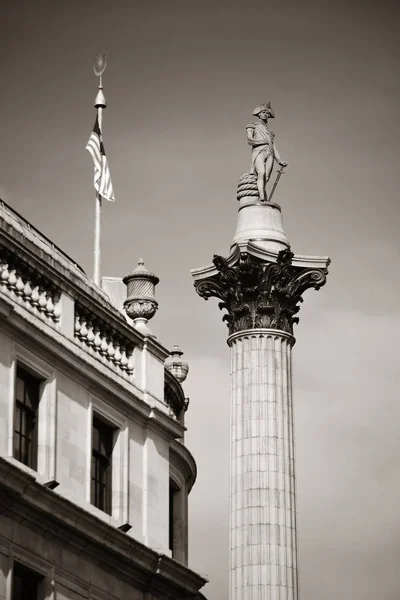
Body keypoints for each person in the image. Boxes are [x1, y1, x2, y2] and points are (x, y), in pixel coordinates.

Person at [246, 103, 287, 201]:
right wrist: (262, 141)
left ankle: (262, 192)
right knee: (261, 173)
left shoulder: (271, 131)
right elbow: (249, 140)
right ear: (259, 114)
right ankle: (261, 196)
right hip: (259, 151)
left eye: (267, 113)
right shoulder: (252, 126)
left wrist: (279, 160)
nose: (265, 114)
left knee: (267, 177)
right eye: (263, 112)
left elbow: (274, 147)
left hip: (270, 153)